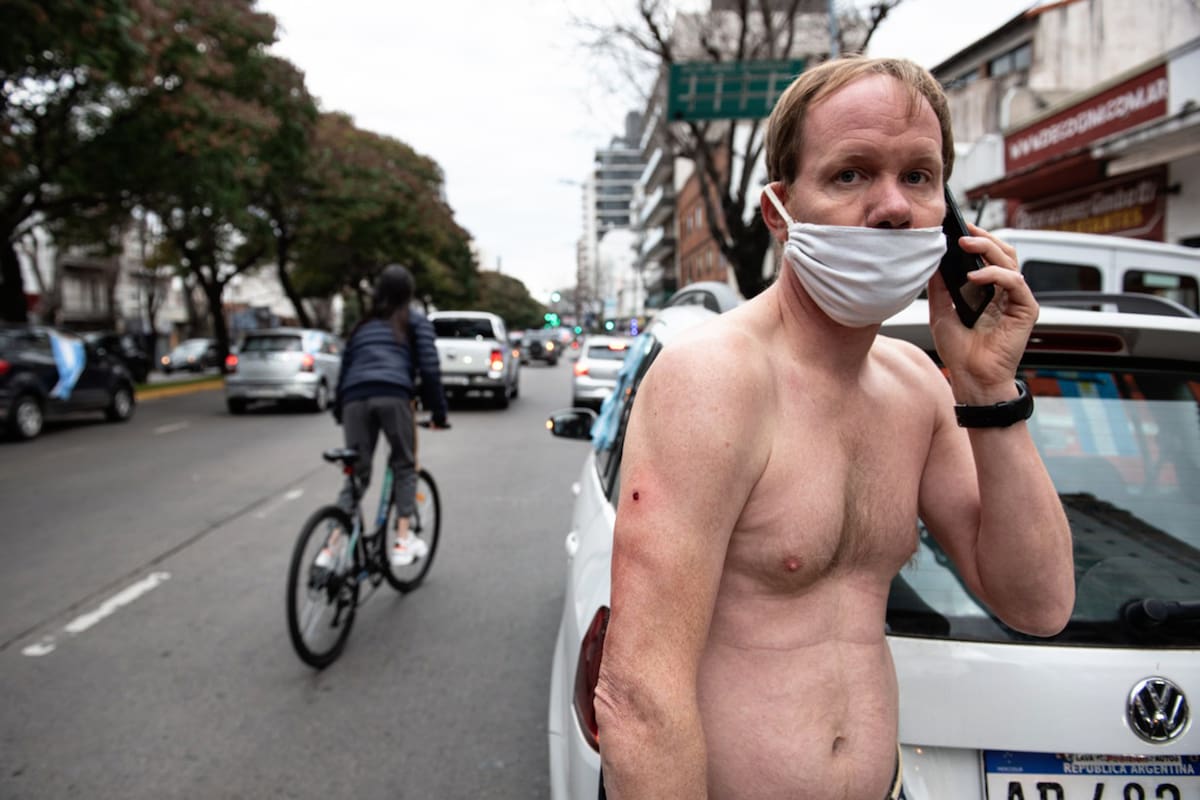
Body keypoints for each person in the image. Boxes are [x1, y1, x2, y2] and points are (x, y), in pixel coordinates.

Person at [593, 56, 1075, 800]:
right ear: (779, 211)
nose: (892, 207)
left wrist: (988, 387)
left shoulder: (917, 387)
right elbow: (639, 699)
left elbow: (1038, 602)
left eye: (919, 176)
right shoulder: (715, 381)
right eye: (851, 174)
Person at [331, 264, 449, 567]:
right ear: (409, 293)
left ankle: (329, 549)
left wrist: (338, 410)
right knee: (404, 465)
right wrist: (439, 413)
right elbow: (431, 370)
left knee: (357, 473)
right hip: (394, 395)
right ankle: (402, 540)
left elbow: (345, 370)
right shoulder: (415, 322)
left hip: (353, 399)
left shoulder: (362, 326)